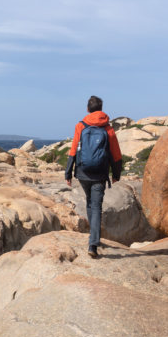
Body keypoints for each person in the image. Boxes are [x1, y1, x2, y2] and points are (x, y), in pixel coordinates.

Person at [64, 95, 123, 258]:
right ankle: (93, 243)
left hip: (83, 172)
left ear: (88, 109)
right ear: (101, 109)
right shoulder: (108, 129)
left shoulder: (80, 126)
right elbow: (116, 154)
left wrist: (68, 172)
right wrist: (116, 174)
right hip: (100, 173)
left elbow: (74, 149)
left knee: (91, 202)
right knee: (95, 205)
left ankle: (93, 238)